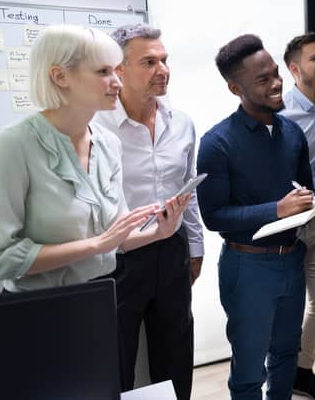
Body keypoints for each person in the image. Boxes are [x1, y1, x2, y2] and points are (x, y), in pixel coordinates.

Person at [0, 25, 189, 293]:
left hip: (101, 296)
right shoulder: (14, 146)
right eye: (103, 72)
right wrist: (97, 245)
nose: (118, 82)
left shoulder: (108, 143)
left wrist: (159, 232)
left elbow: (115, 238)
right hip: (37, 308)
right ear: (60, 76)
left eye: (116, 70)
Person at [197, 34, 314, 399]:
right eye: (263, 80)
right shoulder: (217, 143)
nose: (277, 83)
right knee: (249, 369)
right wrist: (276, 209)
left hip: (291, 260)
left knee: (285, 355)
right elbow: (214, 216)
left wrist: (308, 203)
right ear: (236, 89)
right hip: (247, 268)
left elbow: (304, 191)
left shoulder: (292, 133)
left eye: (276, 73)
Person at [93, 23, 204, 400]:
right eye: (149, 61)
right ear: (119, 70)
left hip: (172, 251)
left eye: (165, 59)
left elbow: (188, 188)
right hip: (119, 258)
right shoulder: (95, 129)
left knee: (175, 351)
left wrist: (196, 247)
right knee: (116, 358)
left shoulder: (182, 124)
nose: (163, 69)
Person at [280, 33, 315, 399]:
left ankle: (302, 370)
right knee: (284, 309)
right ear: (295, 68)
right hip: (285, 226)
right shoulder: (280, 114)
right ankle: (280, 378)